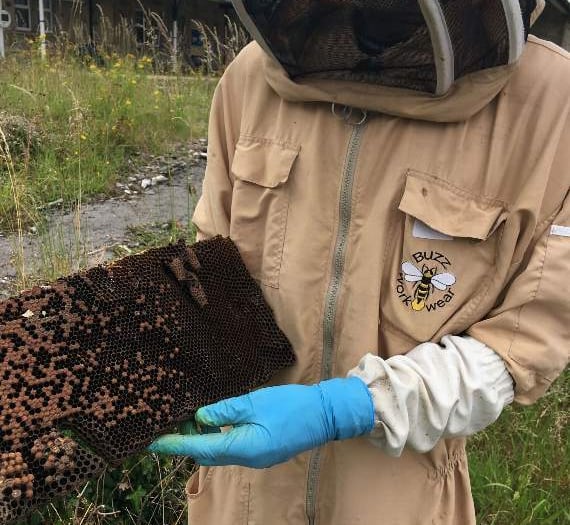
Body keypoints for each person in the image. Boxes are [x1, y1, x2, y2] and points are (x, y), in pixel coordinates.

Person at [149, 1, 569, 523]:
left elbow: (518, 351)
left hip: (398, 501)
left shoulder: (555, 109)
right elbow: (210, 270)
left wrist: (346, 408)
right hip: (240, 497)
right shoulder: (248, 79)